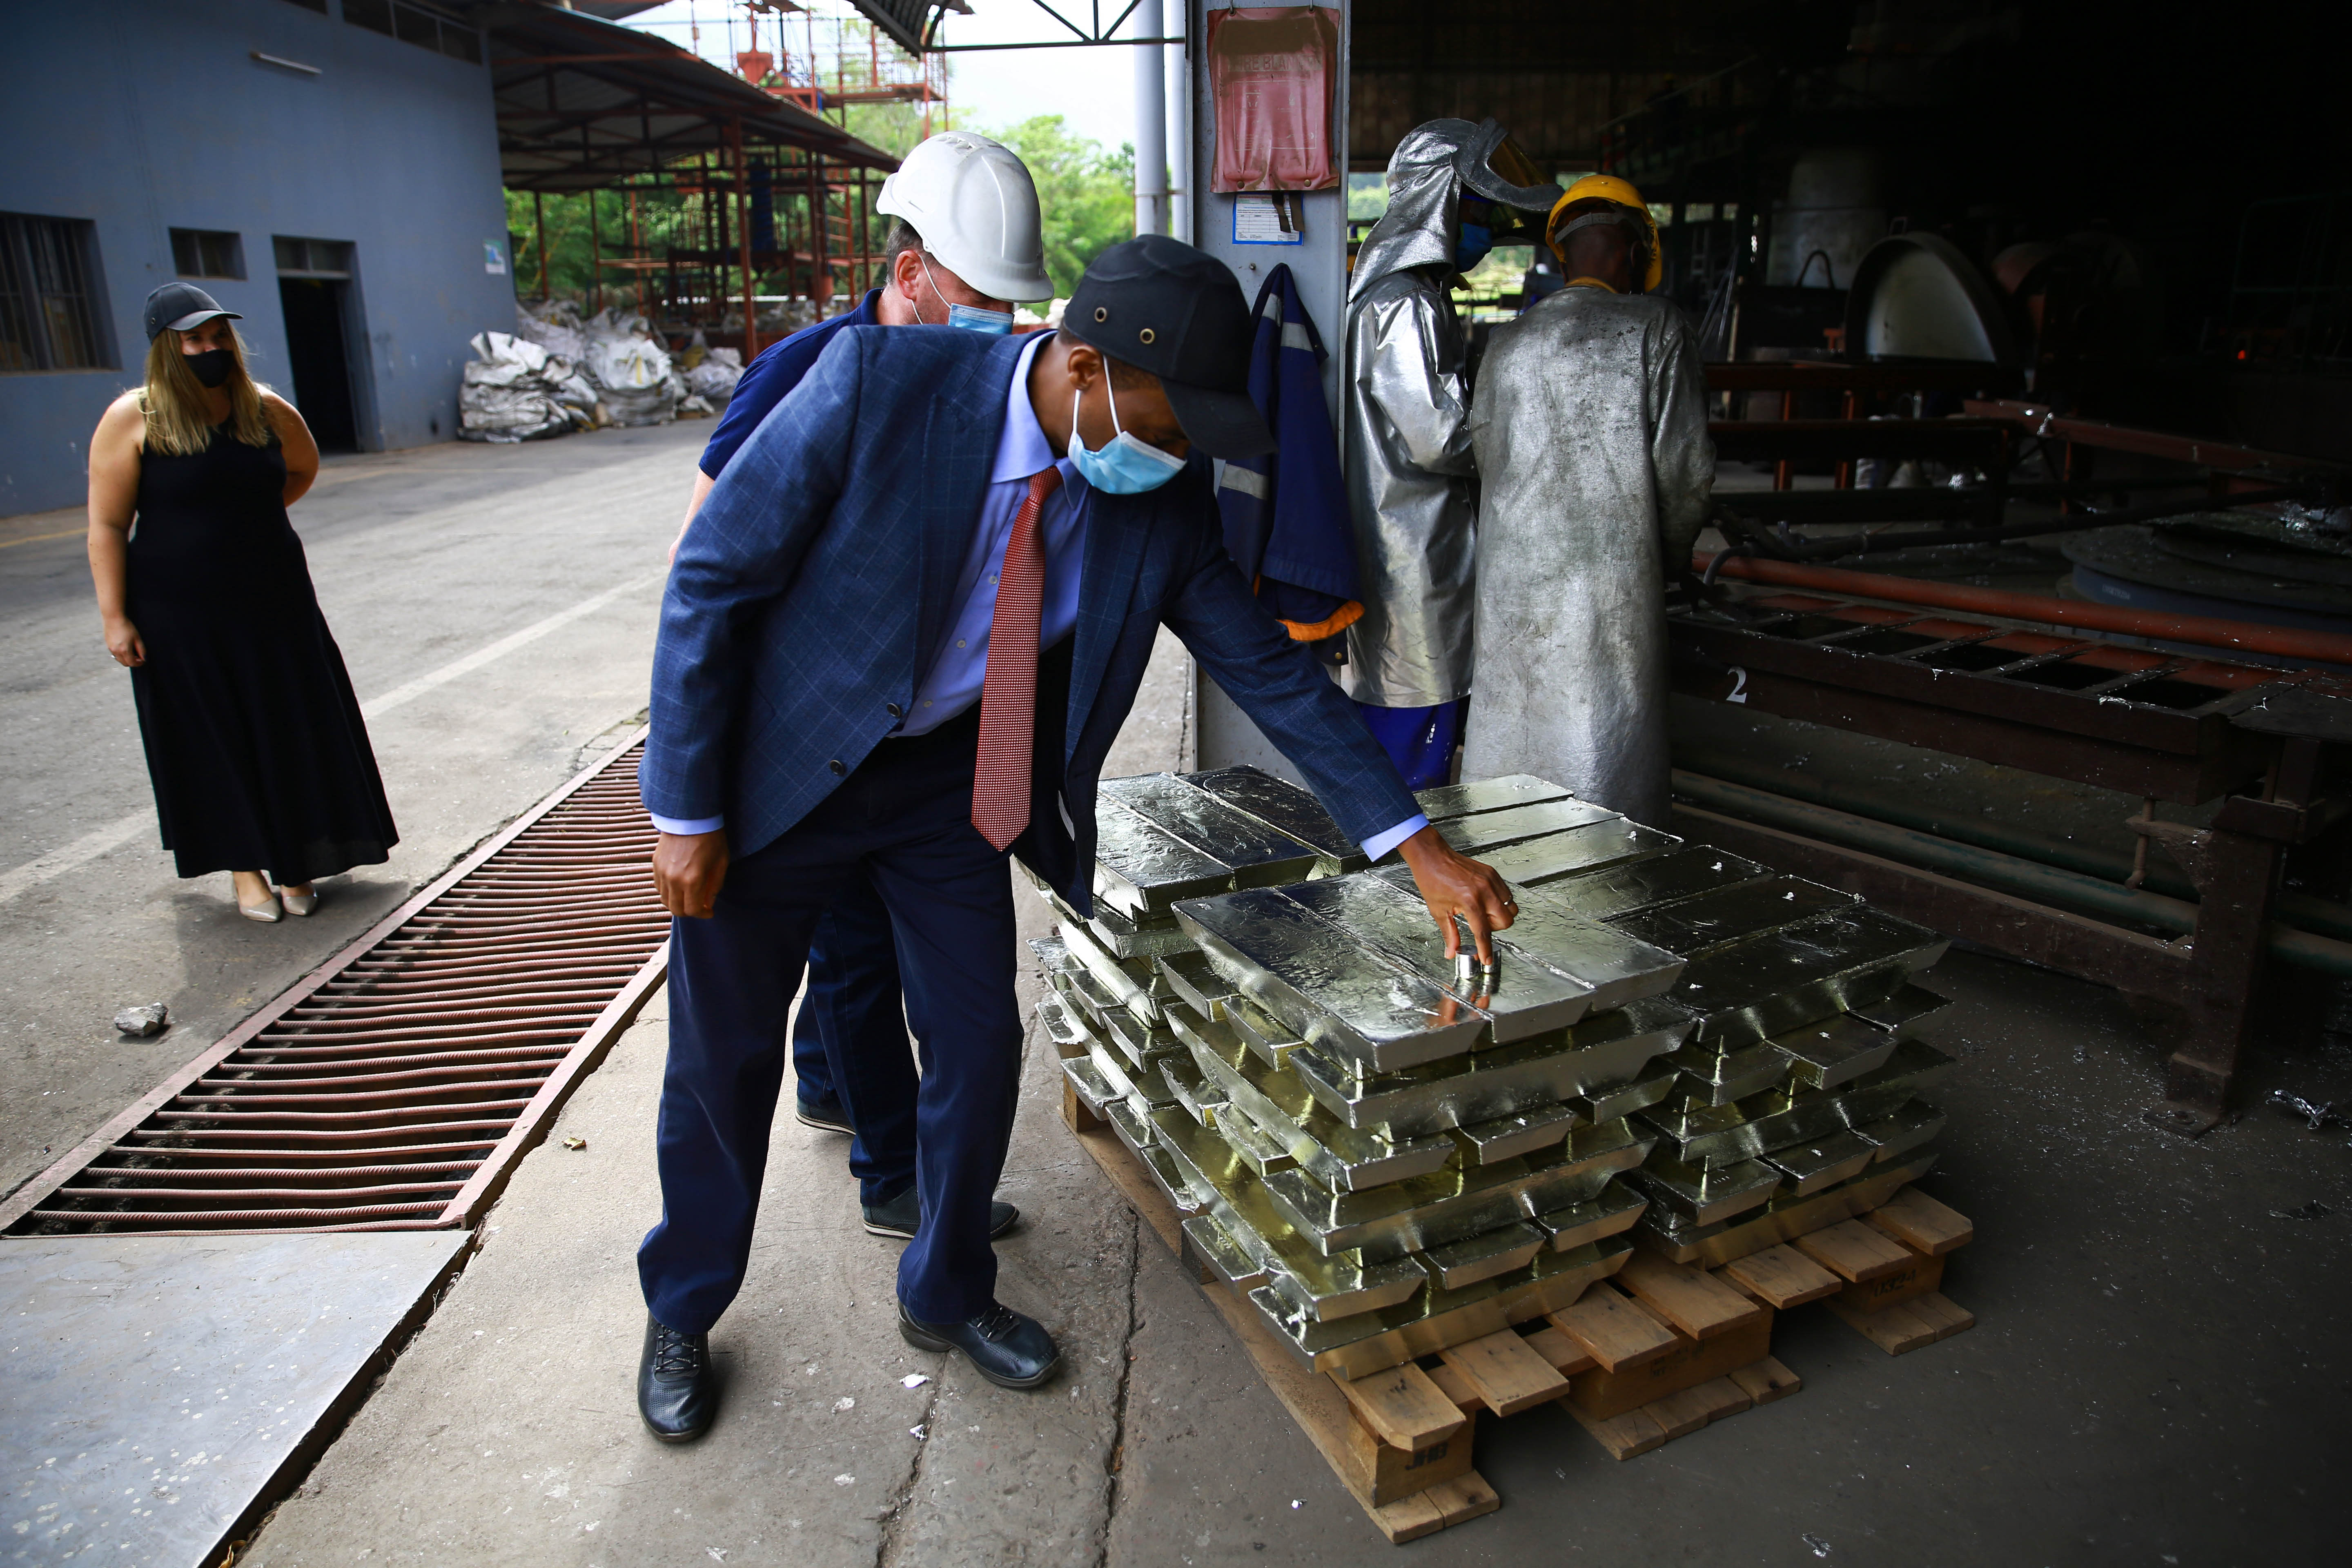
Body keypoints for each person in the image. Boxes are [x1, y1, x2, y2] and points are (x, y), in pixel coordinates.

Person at [633, 235, 1518, 1442]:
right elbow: (711, 581)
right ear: (1085, 365)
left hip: (948, 790)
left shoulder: (1158, 500)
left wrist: (1412, 841)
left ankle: (945, 1290)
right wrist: (682, 808)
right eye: (1171, 416)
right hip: (782, 780)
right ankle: (683, 1306)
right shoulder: (872, 386)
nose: (1183, 448)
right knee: (723, 1063)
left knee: (982, 1046)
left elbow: (1271, 671)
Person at [669, 131, 1052, 1247]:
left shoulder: (987, 385)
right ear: (909, 274)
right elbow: (708, 558)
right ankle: (888, 1172)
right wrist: (696, 792)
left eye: (1014, 305)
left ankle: (895, 1160)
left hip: (926, 761)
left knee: (918, 984)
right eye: (982, 299)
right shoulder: (808, 372)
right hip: (802, 747)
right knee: (848, 964)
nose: (1001, 327)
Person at [85, 283, 397, 923]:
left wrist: (242, 518)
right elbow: (107, 527)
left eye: (218, 336)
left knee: (289, 724)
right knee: (214, 735)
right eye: (194, 339)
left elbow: (302, 470)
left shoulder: (263, 409)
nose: (210, 348)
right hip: (180, 612)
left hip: (274, 602)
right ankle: (246, 869)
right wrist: (115, 617)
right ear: (167, 349)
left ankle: (298, 862)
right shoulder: (133, 418)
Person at [1461, 176, 1715, 827]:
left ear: (1560, 255)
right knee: (1607, 762)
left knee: (1512, 751)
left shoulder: (1507, 342)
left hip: (1512, 586)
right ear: (1633, 253)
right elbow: (1686, 473)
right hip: (1613, 586)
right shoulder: (1658, 328)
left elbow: (1486, 459)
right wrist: (1672, 560)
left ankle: (1505, 885)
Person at [1339, 118, 1556, 789]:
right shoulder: (1402, 303)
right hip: (1413, 564)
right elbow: (1441, 437)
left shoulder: (1417, 296)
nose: (1487, 233)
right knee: (1411, 761)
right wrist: (1531, 430)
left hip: (1422, 555)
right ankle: (1399, 889)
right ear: (1441, 202)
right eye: (1481, 213)